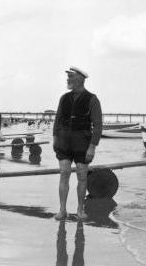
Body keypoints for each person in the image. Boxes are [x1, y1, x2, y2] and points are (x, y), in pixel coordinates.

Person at [53, 66, 102, 220]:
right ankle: (62, 210)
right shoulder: (64, 98)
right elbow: (57, 119)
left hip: (82, 143)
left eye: (71, 77)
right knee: (64, 174)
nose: (68, 80)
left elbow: (98, 125)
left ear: (80, 79)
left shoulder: (92, 99)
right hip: (64, 142)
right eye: (68, 77)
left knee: (82, 177)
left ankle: (80, 210)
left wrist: (92, 146)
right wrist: (55, 138)